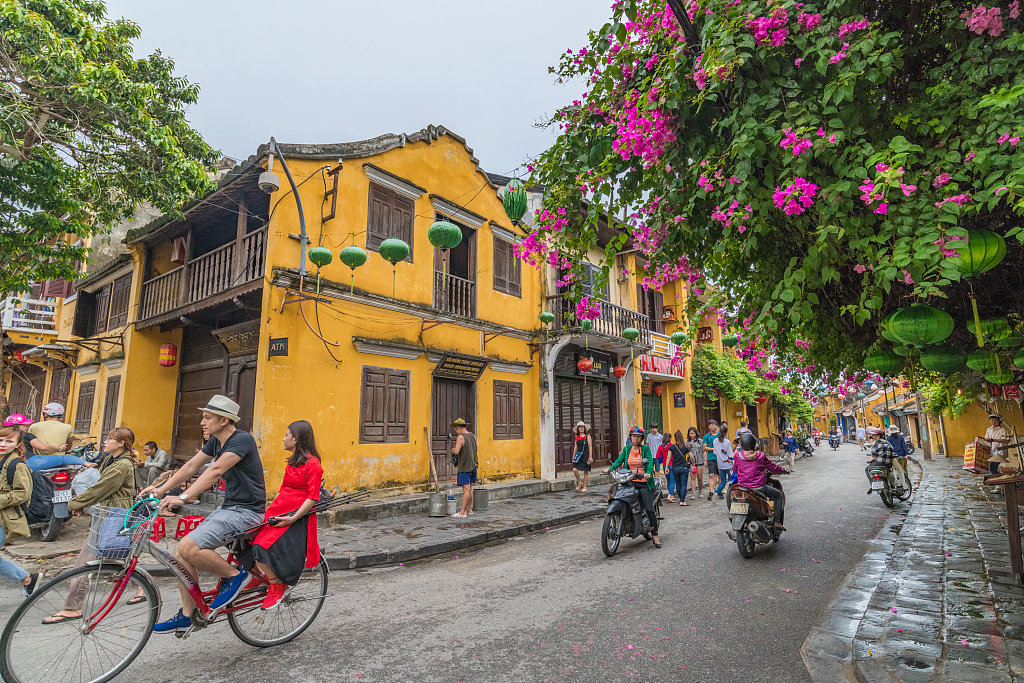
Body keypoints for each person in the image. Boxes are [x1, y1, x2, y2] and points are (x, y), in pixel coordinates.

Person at [140, 395, 266, 634]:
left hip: (247, 511)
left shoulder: (242, 439)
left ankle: (234, 577)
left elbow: (216, 470)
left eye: (207, 417)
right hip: (230, 508)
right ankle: (188, 614)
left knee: (189, 547)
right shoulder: (216, 442)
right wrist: (159, 489)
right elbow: (190, 467)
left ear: (223, 420)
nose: (202, 422)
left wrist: (183, 497)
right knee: (181, 555)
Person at [43, 427, 139, 624]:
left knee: (85, 562)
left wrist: (73, 504)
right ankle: (142, 586)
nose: (105, 442)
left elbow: (99, 489)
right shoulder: (111, 461)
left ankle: (72, 607)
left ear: (121, 443)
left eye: (110, 439)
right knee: (117, 557)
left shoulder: (121, 466)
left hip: (113, 515)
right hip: (108, 514)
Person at [251, 421, 323, 610]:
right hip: (279, 510)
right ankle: (260, 576)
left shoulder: (313, 464)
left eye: (287, 434)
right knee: (247, 538)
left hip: (295, 515)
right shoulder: (292, 462)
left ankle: (278, 584)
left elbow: (313, 497)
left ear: (296, 439)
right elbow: (284, 489)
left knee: (261, 547)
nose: (283, 438)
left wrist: (293, 518)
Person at [0, 427, 41, 597]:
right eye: (1, 440)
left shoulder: (17, 465)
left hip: (4, 519)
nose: (3, 444)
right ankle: (28, 579)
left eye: (9, 441)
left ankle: (27, 579)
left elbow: (22, 494)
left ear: (17, 445)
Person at [605, 426, 660, 548]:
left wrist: (647, 473)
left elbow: (649, 462)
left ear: (641, 438)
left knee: (649, 508)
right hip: (629, 481)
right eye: (634, 436)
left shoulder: (645, 449)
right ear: (630, 437)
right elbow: (619, 461)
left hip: (643, 482)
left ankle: (655, 534)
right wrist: (609, 469)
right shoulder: (627, 449)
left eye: (638, 437)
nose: (636, 439)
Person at [733, 432, 789, 529]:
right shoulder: (760, 456)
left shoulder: (738, 456)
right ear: (754, 444)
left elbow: (735, 469)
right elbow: (773, 468)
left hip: (743, 488)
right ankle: (777, 522)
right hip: (759, 488)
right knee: (778, 495)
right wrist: (783, 470)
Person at [451, 418, 478, 518]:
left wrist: (453, 449)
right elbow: (476, 449)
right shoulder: (472, 435)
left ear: (458, 428)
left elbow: (457, 451)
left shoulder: (461, 437)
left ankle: (462, 512)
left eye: (456, 429)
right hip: (473, 464)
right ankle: (469, 509)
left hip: (465, 466)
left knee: (466, 489)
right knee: (470, 488)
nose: (456, 431)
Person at [980, 414, 1012, 491]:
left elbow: (1006, 440)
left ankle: (998, 485)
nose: (993, 422)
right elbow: (986, 440)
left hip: (1000, 452)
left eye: (995, 420)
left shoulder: (1003, 430)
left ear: (999, 421)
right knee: (992, 468)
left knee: (993, 467)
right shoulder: (989, 430)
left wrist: (993, 440)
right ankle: (998, 484)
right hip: (992, 451)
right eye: (992, 420)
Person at [865, 426, 896, 491]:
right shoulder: (888, 442)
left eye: (874, 435)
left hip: (880, 463)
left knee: (867, 469)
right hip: (889, 464)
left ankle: (872, 484)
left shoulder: (876, 443)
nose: (872, 436)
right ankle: (892, 485)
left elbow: (873, 454)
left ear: (878, 436)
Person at [666, 433, 692, 506]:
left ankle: (680, 497)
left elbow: (668, 457)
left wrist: (667, 467)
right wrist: (693, 464)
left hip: (675, 467)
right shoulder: (685, 447)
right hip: (684, 467)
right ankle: (682, 501)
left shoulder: (672, 447)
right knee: (683, 484)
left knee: (678, 484)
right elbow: (691, 456)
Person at [711, 425, 734, 502]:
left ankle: (716, 493)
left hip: (720, 464)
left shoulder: (715, 441)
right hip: (728, 464)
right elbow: (730, 454)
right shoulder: (727, 442)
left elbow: (715, 452)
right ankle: (731, 495)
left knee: (722, 482)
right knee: (731, 481)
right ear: (726, 433)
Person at [571, 421, 593, 493]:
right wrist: (574, 455)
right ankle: (580, 482)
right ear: (578, 429)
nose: (581, 428)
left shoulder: (587, 436)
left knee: (585, 471)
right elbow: (575, 446)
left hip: (585, 455)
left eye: (582, 427)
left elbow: (590, 447)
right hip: (578, 455)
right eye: (580, 427)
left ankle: (584, 486)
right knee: (575, 469)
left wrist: (590, 456)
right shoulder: (577, 437)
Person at [684, 427, 705, 498]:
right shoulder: (687, 442)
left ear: (696, 433)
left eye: (693, 433)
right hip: (691, 461)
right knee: (692, 477)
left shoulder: (700, 441)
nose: (692, 435)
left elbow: (704, 451)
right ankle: (693, 493)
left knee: (700, 477)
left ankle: (700, 491)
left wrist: (705, 460)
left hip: (700, 460)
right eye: (690, 433)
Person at [656, 433, 675, 502]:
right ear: (670, 438)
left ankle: (671, 496)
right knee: (673, 481)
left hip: (665, 465)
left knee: (668, 481)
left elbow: (657, 456)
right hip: (672, 464)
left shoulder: (661, 446)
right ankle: (670, 494)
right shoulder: (672, 446)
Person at [703, 420, 720, 497]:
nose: (711, 426)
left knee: (719, 475)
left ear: (716, 426)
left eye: (713, 425)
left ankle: (719, 490)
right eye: (710, 425)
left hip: (719, 457)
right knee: (711, 475)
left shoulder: (720, 435)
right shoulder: (706, 436)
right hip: (710, 457)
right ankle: (711, 492)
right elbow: (704, 447)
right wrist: (713, 449)